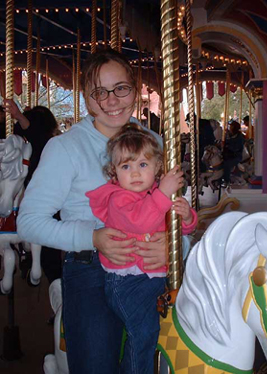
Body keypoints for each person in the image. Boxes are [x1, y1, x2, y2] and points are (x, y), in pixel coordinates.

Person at [16, 49, 175, 374]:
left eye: (121, 88)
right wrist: (92, 237)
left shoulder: (154, 141)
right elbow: (29, 222)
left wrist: (171, 244)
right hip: (91, 269)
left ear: (134, 89)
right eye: (99, 92)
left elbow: (173, 209)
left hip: (149, 268)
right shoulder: (65, 148)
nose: (112, 100)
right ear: (87, 100)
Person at [86, 124, 197, 374]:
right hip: (128, 283)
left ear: (157, 167)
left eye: (143, 165)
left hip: (156, 279)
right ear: (114, 172)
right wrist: (164, 194)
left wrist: (187, 216)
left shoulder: (158, 195)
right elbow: (140, 220)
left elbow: (184, 230)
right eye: (126, 166)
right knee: (143, 334)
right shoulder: (118, 199)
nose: (135, 173)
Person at [2, 99, 63, 285]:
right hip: (26, 189)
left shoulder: (48, 143)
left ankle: (56, 285)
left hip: (46, 196)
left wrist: (20, 117)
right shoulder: (37, 142)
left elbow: (34, 134)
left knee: (48, 251)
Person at [223, 120, 245, 185]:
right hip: (228, 154)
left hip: (236, 155)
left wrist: (228, 146)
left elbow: (238, 147)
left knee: (227, 164)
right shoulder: (230, 135)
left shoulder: (239, 137)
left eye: (231, 126)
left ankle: (227, 180)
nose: (230, 128)